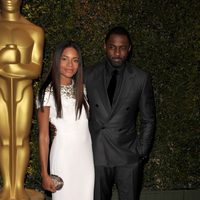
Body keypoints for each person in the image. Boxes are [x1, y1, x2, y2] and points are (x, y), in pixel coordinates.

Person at [84, 26, 156, 200]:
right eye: (112, 47)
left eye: (122, 47)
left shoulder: (140, 78)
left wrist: (142, 151)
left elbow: (148, 119)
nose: (117, 52)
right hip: (98, 153)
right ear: (105, 47)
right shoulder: (89, 75)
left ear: (129, 49)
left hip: (128, 155)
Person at [36, 40, 94, 200]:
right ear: (56, 60)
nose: (70, 64)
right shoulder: (46, 92)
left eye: (75, 60)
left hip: (86, 158)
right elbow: (43, 136)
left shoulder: (81, 88)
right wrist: (44, 173)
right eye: (64, 59)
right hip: (63, 157)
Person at [0, 0, 44, 199]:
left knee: (20, 139)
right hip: (1, 91)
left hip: (23, 92)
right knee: (4, 140)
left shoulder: (34, 31)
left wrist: (15, 68)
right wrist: (4, 57)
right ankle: (8, 187)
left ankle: (18, 186)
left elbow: (35, 69)